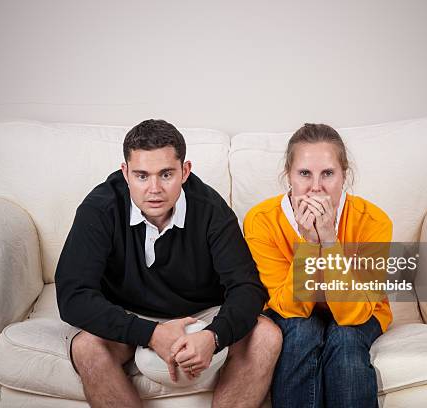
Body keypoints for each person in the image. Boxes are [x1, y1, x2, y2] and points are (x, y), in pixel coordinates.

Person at [55, 119, 282, 408]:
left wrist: (213, 337)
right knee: (87, 348)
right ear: (125, 173)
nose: (154, 189)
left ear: (185, 171)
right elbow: (73, 296)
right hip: (127, 311)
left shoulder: (211, 209)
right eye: (141, 176)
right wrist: (150, 334)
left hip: (202, 314)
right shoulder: (100, 208)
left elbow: (247, 288)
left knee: (267, 335)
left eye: (166, 174)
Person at [243, 123, 393, 408]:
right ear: (288, 175)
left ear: (344, 175)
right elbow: (288, 308)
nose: (316, 187)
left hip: (358, 312)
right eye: (304, 174)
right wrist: (310, 243)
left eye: (328, 173)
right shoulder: (261, 220)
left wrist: (329, 240)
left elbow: (354, 314)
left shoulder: (374, 222)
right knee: (301, 332)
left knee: (346, 338)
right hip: (294, 312)